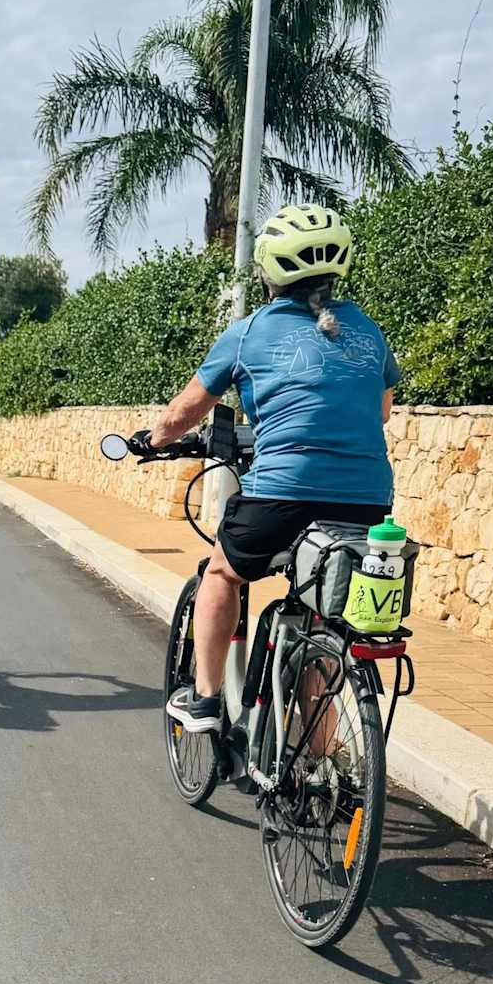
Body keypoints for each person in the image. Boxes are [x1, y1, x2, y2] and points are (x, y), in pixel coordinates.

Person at [137, 205, 400, 732]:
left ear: (268, 271)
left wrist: (151, 439)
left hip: (282, 490)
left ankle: (206, 698)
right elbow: (382, 411)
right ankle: (319, 764)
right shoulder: (368, 331)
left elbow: (184, 412)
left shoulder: (250, 331)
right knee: (322, 617)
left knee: (220, 573)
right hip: (369, 500)